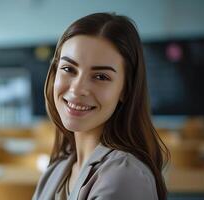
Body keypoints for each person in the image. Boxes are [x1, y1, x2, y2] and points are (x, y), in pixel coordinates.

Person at [32, 13, 169, 200]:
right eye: (68, 69)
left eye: (101, 77)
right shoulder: (58, 169)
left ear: (125, 90)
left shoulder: (125, 177)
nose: (77, 89)